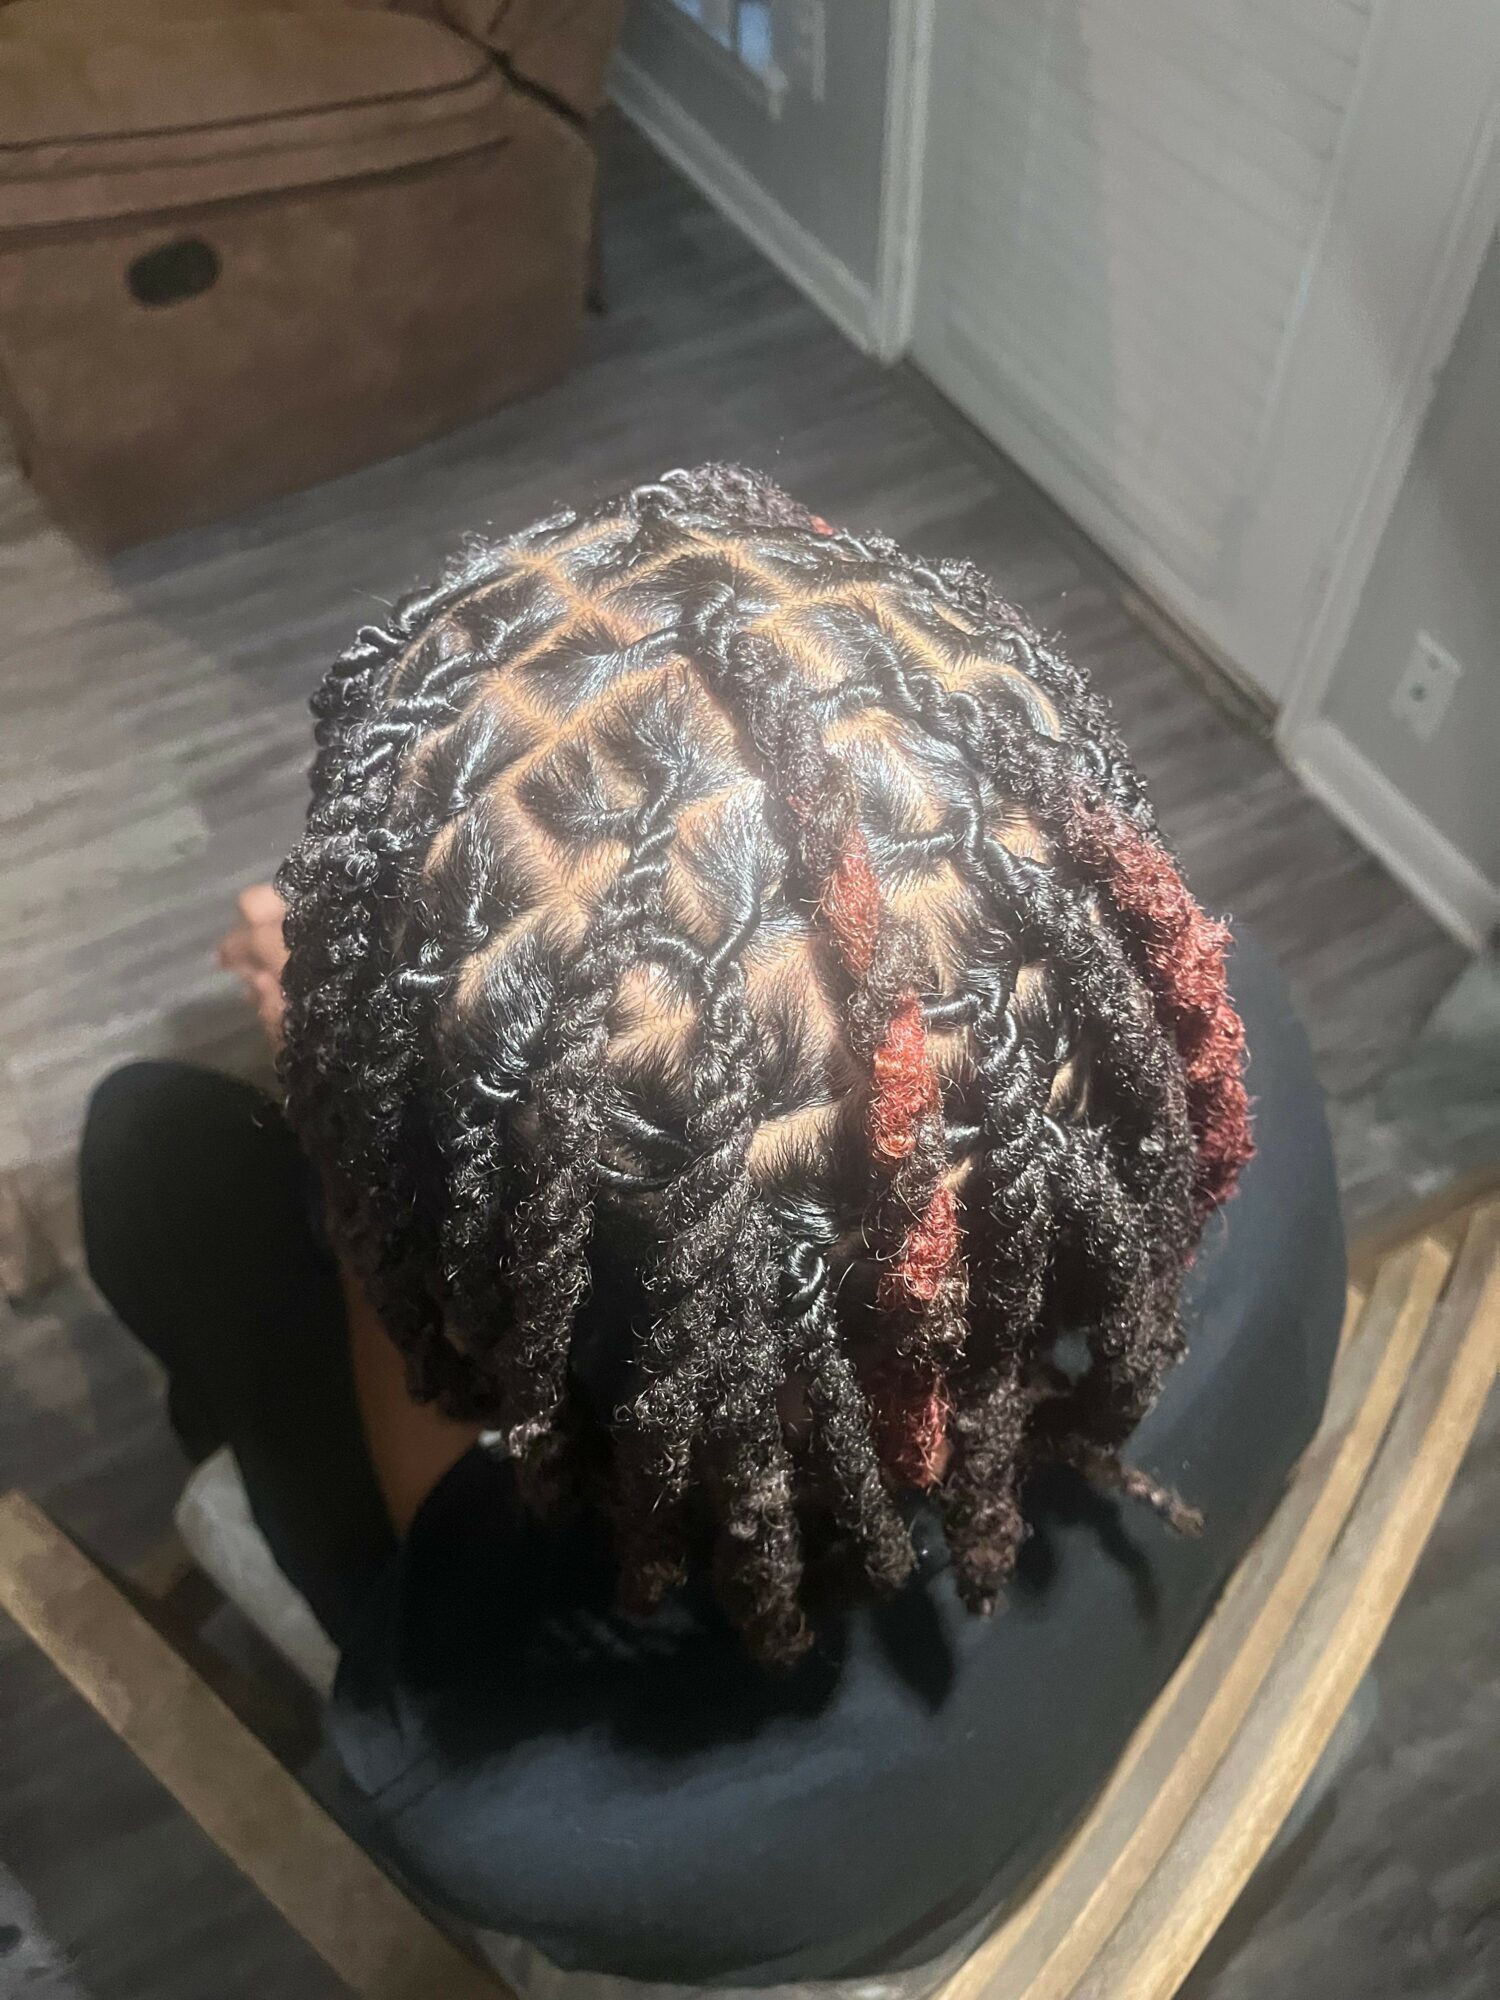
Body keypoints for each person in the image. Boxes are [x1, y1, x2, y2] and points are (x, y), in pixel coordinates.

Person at [80, 466, 1344, 1990]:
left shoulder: (519, 1797)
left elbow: (448, 1535)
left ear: (524, 1321)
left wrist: (354, 1147)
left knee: (155, 1152)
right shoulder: (1244, 1038)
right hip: (1047, 1721)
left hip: (830, 1856)